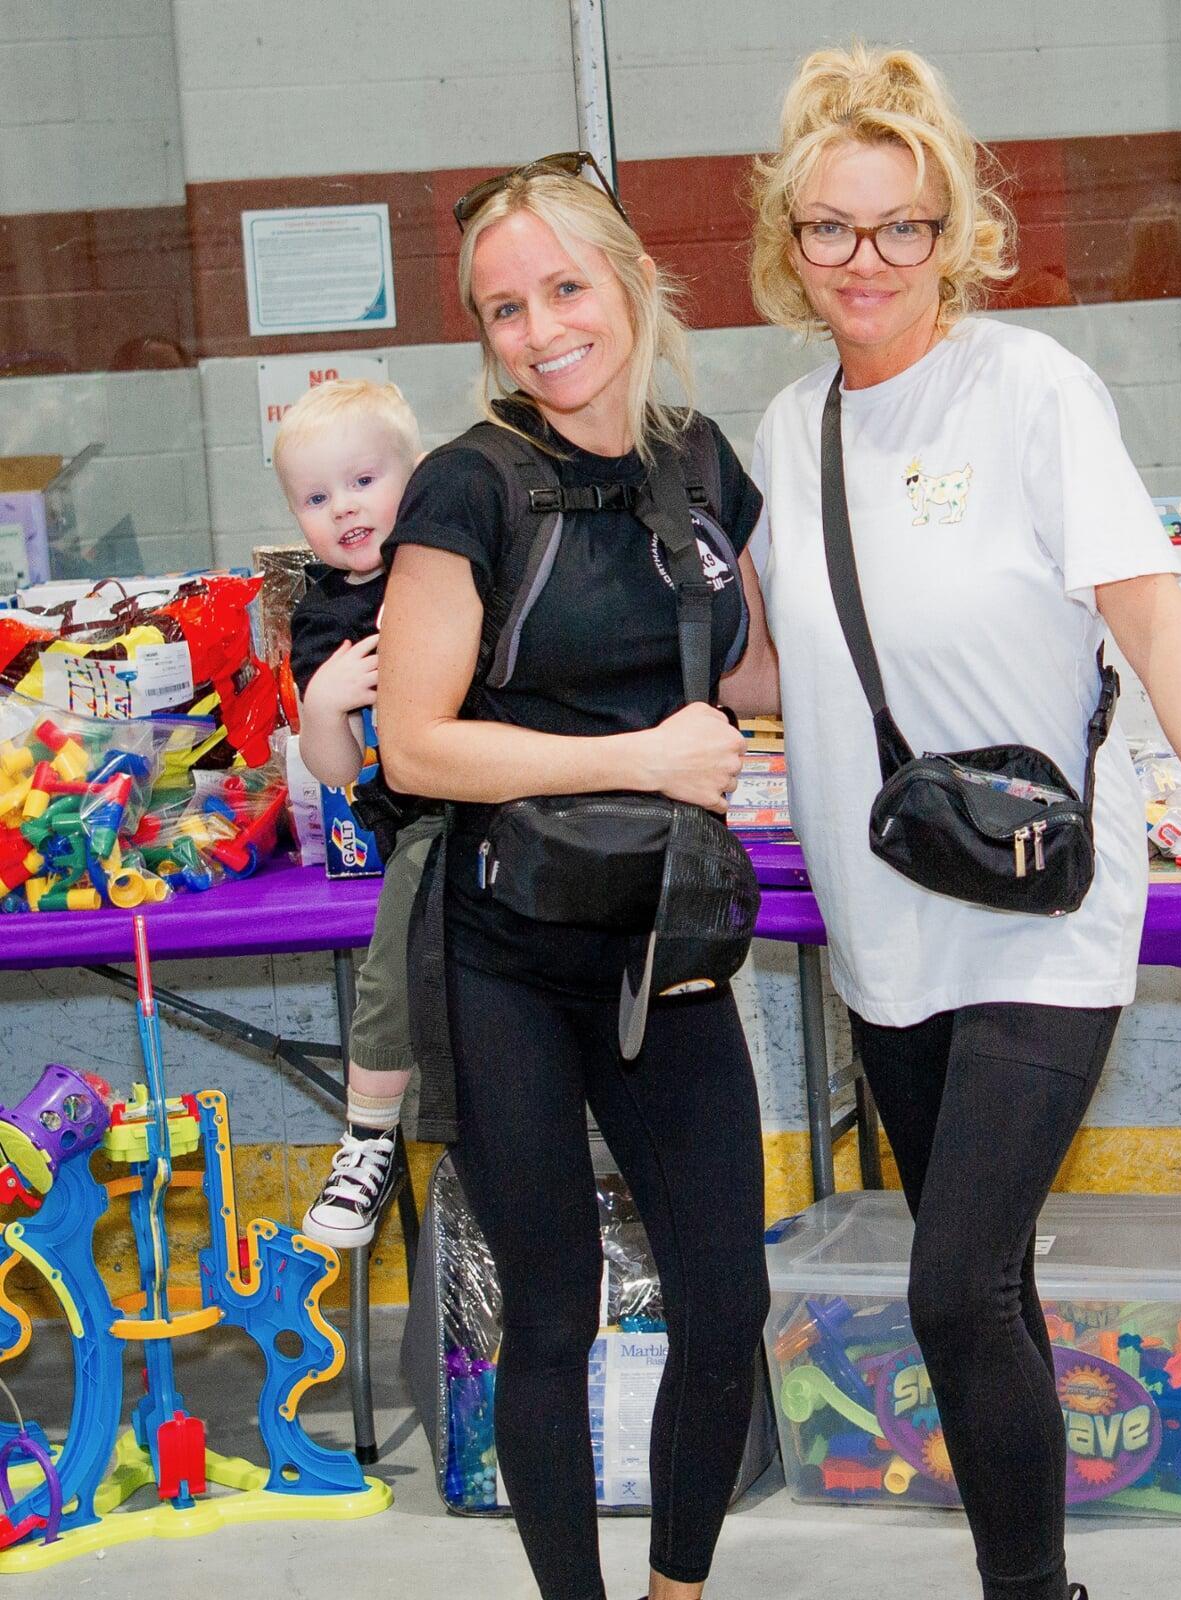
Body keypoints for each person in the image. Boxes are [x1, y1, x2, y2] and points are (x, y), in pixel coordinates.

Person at [746, 44, 1181, 1600]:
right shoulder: (785, 436)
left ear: (955, 235)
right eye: (832, 230)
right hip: (887, 929)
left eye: (902, 227)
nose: (867, 262)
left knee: (946, 1288)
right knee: (981, 1285)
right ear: (789, 245)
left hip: (1044, 913)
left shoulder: (1033, 393)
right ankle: (1037, 1577)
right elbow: (762, 665)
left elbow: (1159, 624)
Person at [376, 153, 775, 1600]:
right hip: (501, 958)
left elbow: (763, 669)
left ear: (631, 281)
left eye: (564, 289)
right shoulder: (465, 487)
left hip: (659, 943)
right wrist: (643, 762)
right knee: (552, 1316)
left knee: (728, 1301)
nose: (541, 330)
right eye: (503, 309)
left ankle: (678, 1589)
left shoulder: (700, 463)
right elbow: (419, 748)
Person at [279, 378, 433, 1248]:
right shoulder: (324, 612)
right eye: (315, 496)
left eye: (363, 480)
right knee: (394, 952)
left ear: (417, 475)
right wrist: (323, 706)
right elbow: (336, 772)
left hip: (517, 788)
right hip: (422, 817)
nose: (342, 507)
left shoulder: (452, 556)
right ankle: (369, 1137)